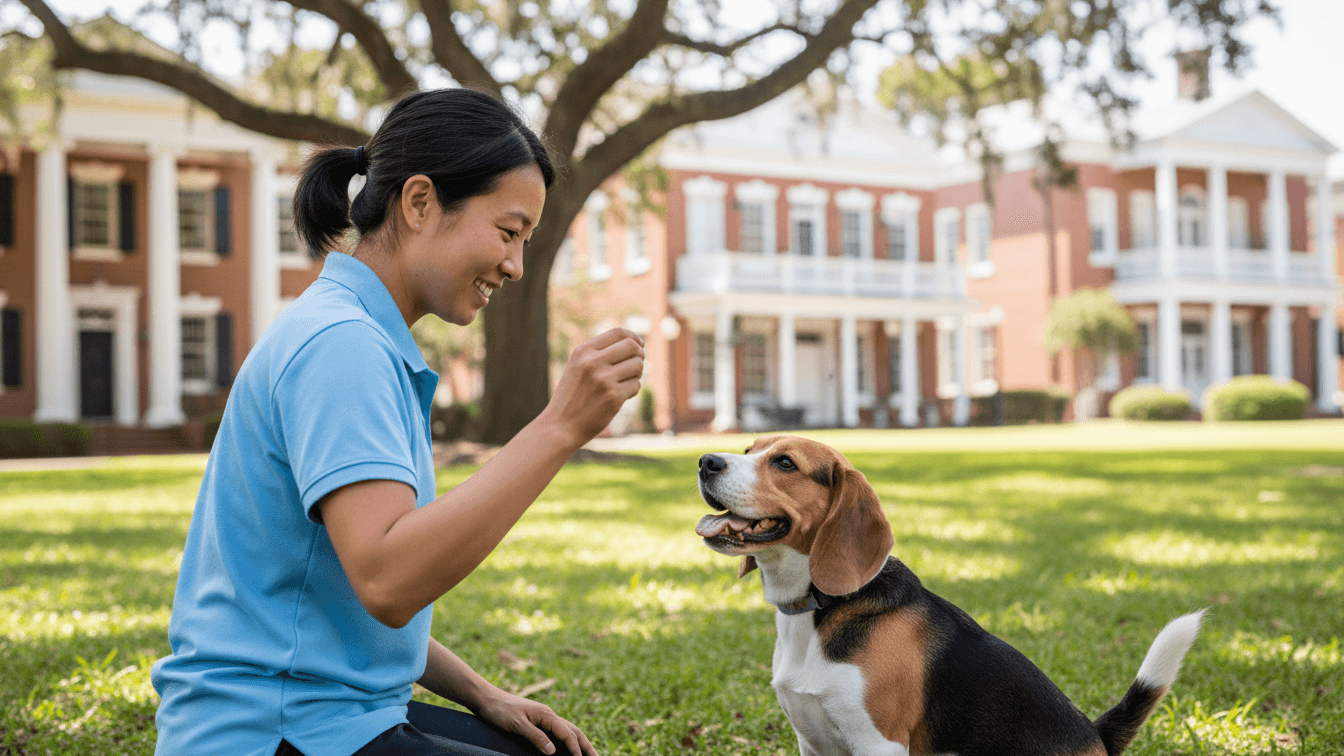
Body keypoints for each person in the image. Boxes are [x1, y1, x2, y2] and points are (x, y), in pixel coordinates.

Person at [151, 88, 645, 756]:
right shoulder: (340, 345)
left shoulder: (357, 334)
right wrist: (559, 426)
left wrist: (483, 693)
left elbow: (341, 597)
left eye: (525, 241)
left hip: (335, 712)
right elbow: (388, 580)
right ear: (419, 203)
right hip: (270, 731)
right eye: (507, 232)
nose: (515, 266)